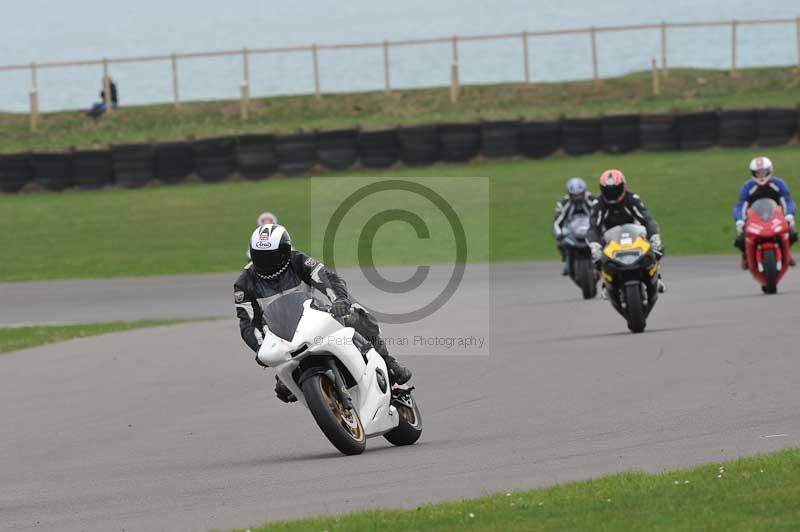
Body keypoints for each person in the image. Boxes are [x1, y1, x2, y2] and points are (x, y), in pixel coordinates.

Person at [234, 223, 412, 403]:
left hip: (311, 316)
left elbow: (327, 277)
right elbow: (248, 323)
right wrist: (260, 348)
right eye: (260, 256)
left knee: (359, 317)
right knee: (284, 390)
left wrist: (339, 300)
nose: (267, 262)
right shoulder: (244, 283)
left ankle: (388, 362)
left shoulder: (297, 261)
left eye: (271, 256)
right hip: (282, 337)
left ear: (285, 251)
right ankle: (328, 404)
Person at [586, 169, 665, 294]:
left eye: (615, 189)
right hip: (610, 238)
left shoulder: (632, 198)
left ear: (623, 186)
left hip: (634, 234)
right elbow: (593, 227)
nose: (612, 194)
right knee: (596, 257)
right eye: (608, 190)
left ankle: (656, 276)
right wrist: (595, 246)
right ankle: (606, 283)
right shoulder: (598, 204)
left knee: (656, 249)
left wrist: (655, 237)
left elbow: (648, 220)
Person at [733, 156, 797, 269]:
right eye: (758, 173)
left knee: (792, 234)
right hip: (754, 218)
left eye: (763, 172)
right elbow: (740, 205)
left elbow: (787, 200)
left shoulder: (778, 183)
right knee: (740, 239)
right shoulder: (747, 187)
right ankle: (746, 255)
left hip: (776, 216)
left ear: (769, 171)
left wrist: (789, 214)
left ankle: (787, 253)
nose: (761, 175)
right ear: (753, 173)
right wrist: (740, 220)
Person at [552, 177, 596, 275]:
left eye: (580, 195)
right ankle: (567, 260)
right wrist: (559, 234)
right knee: (561, 243)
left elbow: (599, 215)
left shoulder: (592, 200)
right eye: (574, 196)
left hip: (588, 228)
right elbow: (556, 222)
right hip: (572, 229)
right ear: (569, 194)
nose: (577, 198)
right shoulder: (563, 203)